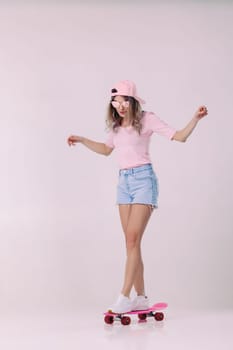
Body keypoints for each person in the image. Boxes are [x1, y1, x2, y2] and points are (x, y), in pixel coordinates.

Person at [67, 80, 208, 314]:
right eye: (115, 102)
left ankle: (124, 296)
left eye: (123, 101)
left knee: (132, 240)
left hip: (144, 181)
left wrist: (195, 118)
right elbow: (105, 150)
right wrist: (82, 140)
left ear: (132, 101)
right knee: (131, 243)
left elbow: (180, 136)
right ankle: (141, 298)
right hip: (123, 183)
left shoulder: (147, 119)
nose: (119, 106)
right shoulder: (116, 127)